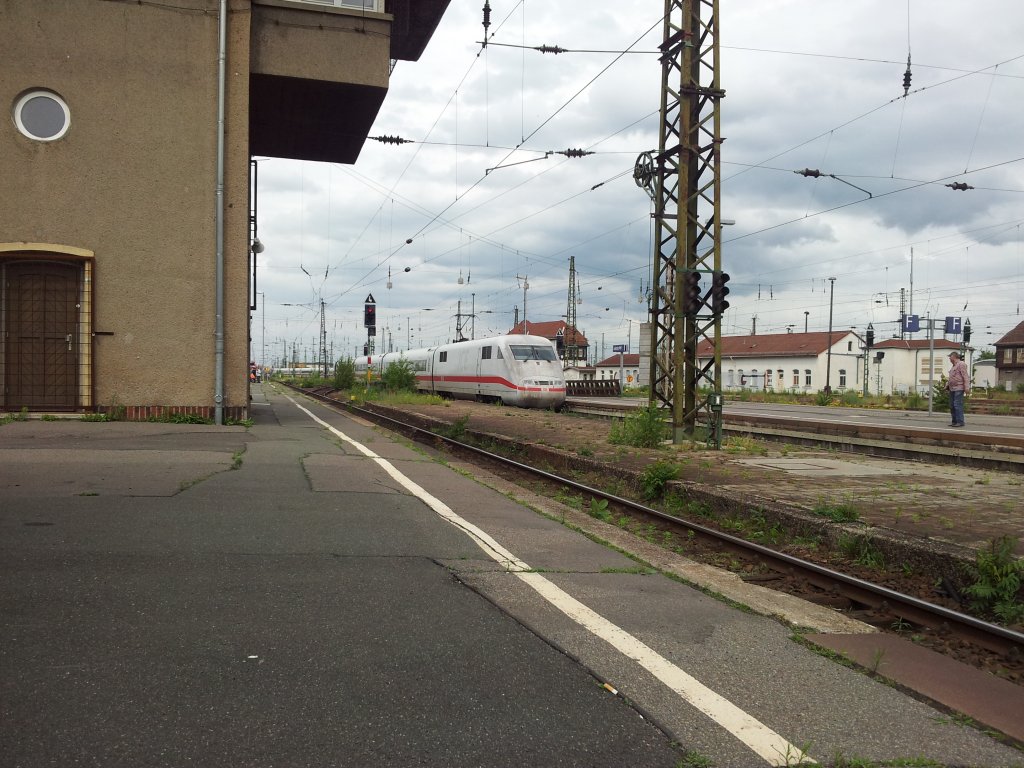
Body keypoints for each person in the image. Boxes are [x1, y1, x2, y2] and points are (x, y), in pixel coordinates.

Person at [945, 351, 970, 427]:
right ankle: (954, 421)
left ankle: (960, 421)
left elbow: (965, 376)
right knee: (952, 405)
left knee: (957, 404)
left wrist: (966, 387)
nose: (949, 358)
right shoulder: (953, 366)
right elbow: (951, 378)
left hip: (959, 387)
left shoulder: (961, 364)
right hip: (952, 388)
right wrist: (947, 385)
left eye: (950, 357)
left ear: (954, 357)